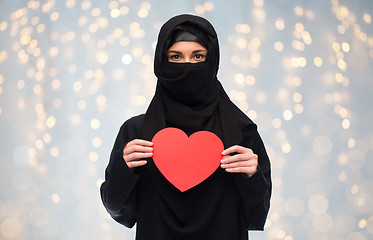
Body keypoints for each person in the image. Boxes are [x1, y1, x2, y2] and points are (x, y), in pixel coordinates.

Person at [100, 14, 271, 240]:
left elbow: (256, 217)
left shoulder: (240, 132)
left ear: (213, 61)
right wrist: (124, 170)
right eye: (176, 57)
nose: (187, 66)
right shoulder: (137, 133)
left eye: (198, 56)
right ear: (160, 62)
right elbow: (120, 212)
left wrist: (252, 177)